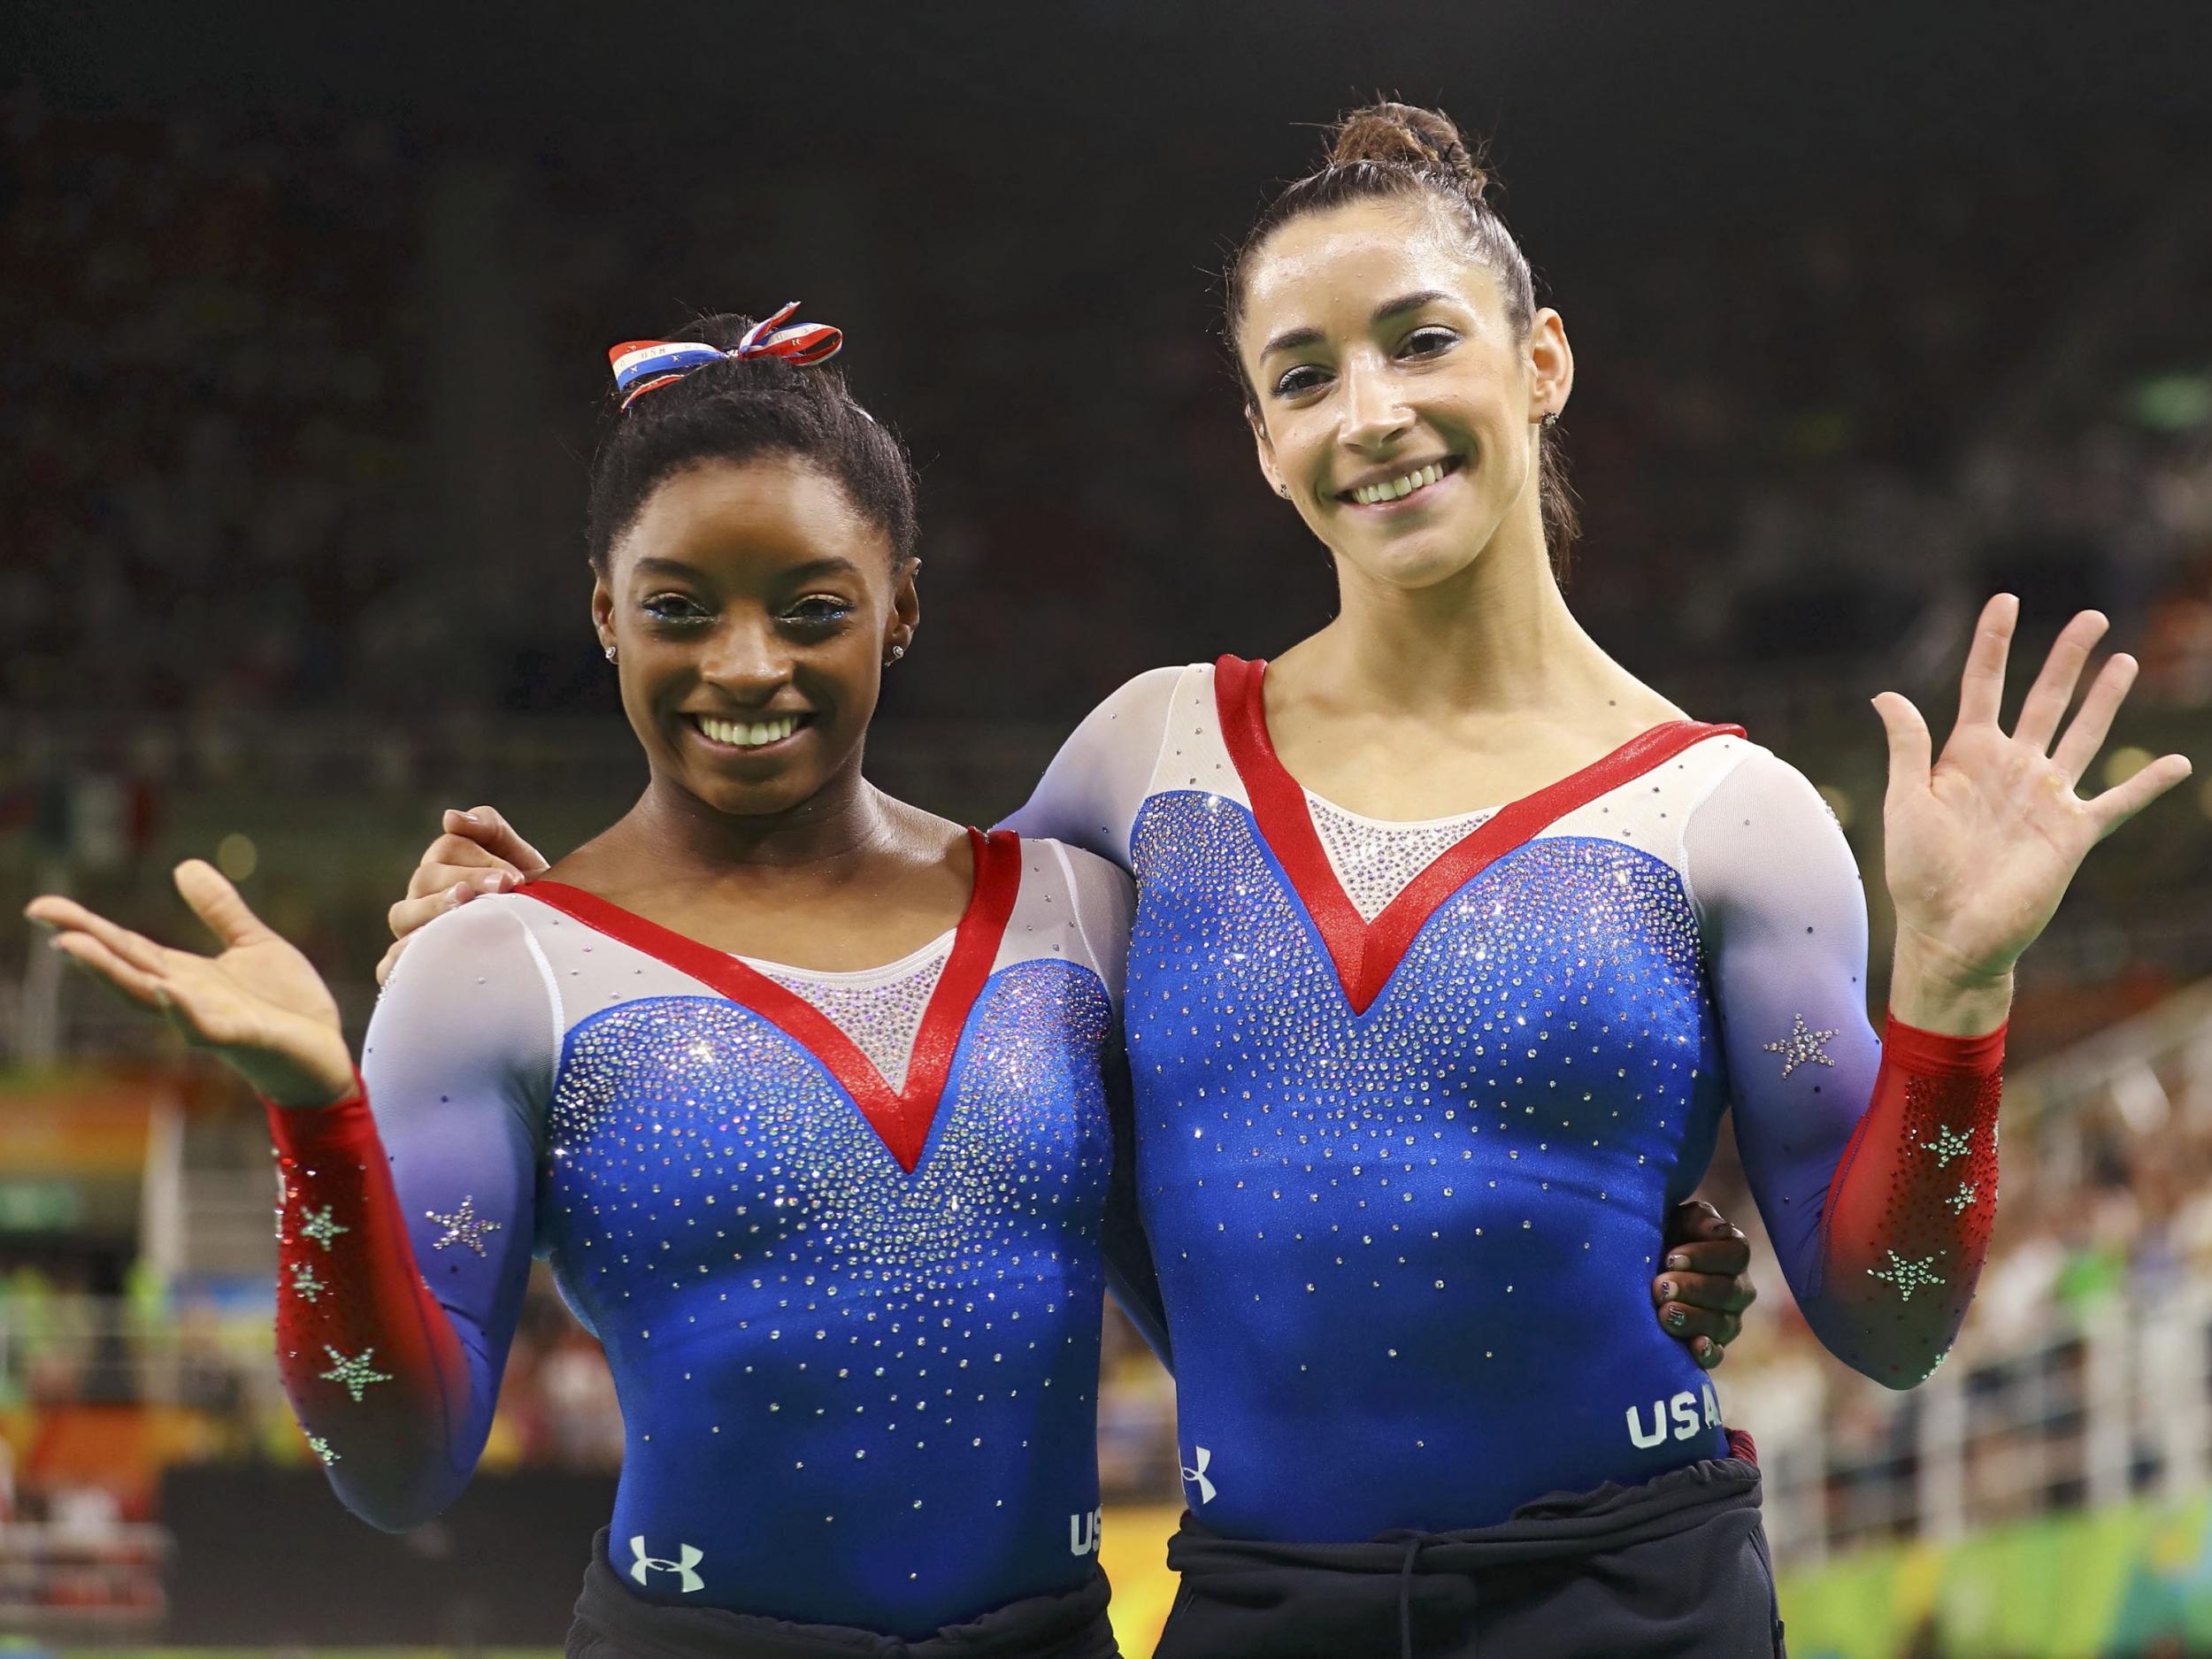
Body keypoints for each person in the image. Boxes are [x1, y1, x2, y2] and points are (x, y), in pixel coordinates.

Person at [386, 106, 2193, 1656]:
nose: (1372, 413)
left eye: (1420, 341)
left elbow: (1888, 1322)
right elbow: (903, 976)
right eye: (1303, 376)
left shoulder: (1726, 814)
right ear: (1259, 440)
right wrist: (585, 930)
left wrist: (1950, 983)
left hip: (1627, 1596)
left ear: (1538, 358)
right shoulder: (1144, 762)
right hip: (1253, 1602)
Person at [32, 313, 1149, 1658]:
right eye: (680, 608)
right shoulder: (494, 972)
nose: (747, 665)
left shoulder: (1077, 912)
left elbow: (1243, 1294)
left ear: (900, 603)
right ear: (604, 610)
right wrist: (316, 1119)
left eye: (813, 608)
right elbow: (395, 1473)